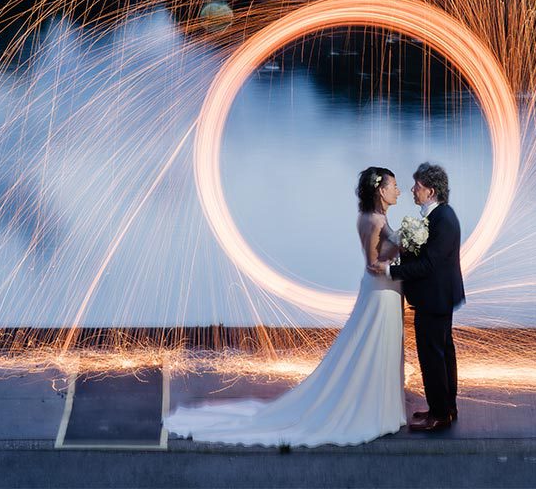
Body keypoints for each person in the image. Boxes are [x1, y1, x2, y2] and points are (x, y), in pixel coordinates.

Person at [164, 167, 407, 446]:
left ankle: (382, 409)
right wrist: (402, 253)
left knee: (380, 347)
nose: (398, 191)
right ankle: (372, 411)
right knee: (373, 347)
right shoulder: (373, 220)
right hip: (380, 291)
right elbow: (373, 265)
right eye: (394, 185)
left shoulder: (376, 217)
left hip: (385, 292)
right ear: (381, 189)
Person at [369, 162, 464, 432]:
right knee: (443, 354)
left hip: (435, 298)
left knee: (433, 357)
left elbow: (429, 265)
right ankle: (445, 408)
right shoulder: (435, 217)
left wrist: (389, 270)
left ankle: (440, 414)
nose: (412, 191)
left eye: (418, 187)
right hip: (438, 297)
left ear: (431, 191)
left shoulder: (442, 220)